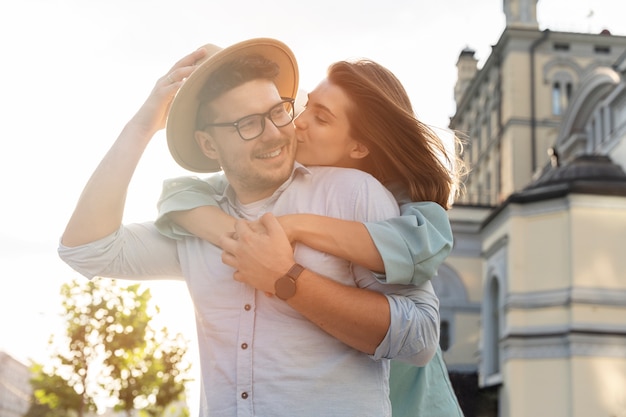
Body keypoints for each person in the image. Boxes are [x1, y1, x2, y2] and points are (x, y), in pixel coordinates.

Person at [58, 38, 440, 417]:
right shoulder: (197, 219)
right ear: (208, 146)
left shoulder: (355, 193)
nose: (275, 133)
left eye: (278, 112)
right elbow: (86, 250)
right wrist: (143, 125)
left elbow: (420, 340)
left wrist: (288, 279)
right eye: (247, 124)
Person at [154, 58, 465, 416]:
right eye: (303, 107)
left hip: (412, 405)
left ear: (359, 147)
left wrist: (296, 227)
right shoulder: (284, 182)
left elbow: (418, 251)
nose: (296, 123)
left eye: (320, 117)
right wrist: (239, 236)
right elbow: (178, 195)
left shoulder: (398, 204)